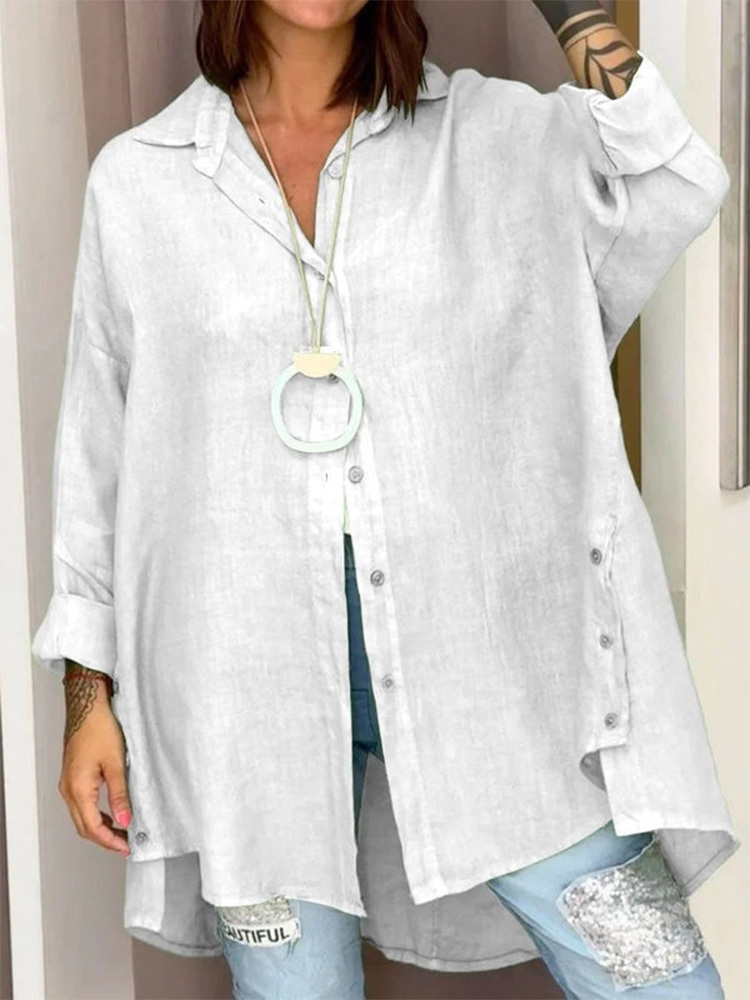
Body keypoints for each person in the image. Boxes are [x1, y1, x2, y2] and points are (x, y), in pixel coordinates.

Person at [32, 0, 740, 997]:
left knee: (659, 978)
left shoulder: (493, 140)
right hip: (243, 703)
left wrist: (575, 12)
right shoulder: (141, 182)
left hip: (491, 677)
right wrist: (87, 696)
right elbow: (97, 459)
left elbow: (672, 178)